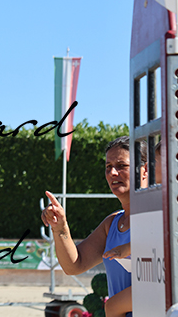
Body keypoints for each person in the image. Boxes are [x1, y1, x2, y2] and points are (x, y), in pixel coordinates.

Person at [41, 136, 144, 317]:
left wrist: (113, 307)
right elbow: (74, 265)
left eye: (121, 165)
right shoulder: (112, 223)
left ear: (145, 170)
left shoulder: (160, 218)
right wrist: (60, 228)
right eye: (108, 166)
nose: (112, 172)